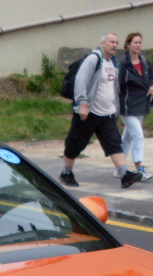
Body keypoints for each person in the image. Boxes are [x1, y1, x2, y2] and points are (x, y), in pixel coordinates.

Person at [60, 33, 141, 189]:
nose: (115, 45)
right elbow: (80, 82)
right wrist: (83, 104)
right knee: (75, 145)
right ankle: (66, 172)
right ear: (102, 43)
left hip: (107, 113)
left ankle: (125, 175)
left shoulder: (113, 62)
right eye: (111, 42)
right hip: (88, 113)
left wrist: (115, 108)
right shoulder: (93, 60)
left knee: (114, 144)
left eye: (117, 42)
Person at [118, 32, 153, 181]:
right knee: (138, 136)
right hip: (127, 106)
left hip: (142, 104)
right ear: (128, 45)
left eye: (140, 42)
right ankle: (140, 168)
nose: (138, 45)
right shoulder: (123, 64)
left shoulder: (145, 62)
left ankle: (119, 168)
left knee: (127, 137)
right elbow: (117, 85)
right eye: (135, 42)